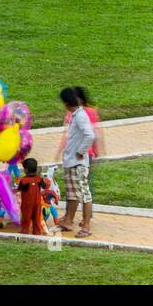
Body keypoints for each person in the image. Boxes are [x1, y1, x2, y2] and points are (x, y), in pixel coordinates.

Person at [55, 87, 97, 237]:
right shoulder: (75, 115)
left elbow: (89, 135)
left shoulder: (80, 116)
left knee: (85, 195)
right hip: (71, 162)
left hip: (78, 163)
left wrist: (81, 151)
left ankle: (86, 226)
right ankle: (68, 221)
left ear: (66, 103)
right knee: (72, 195)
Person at [15, 158, 55, 237]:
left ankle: (25, 231)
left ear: (25, 170)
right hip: (37, 203)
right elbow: (44, 186)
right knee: (36, 218)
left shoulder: (24, 180)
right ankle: (37, 232)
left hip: (27, 204)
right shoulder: (39, 179)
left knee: (26, 217)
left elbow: (19, 189)